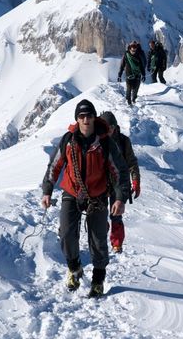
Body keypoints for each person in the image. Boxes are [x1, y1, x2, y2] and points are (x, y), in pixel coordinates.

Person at [41, 99, 130, 298]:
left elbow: (120, 172)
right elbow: (54, 167)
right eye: (81, 117)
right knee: (66, 234)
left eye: (89, 116)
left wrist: (120, 199)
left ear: (94, 118)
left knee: (98, 240)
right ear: (77, 119)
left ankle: (98, 280)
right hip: (72, 193)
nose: (86, 120)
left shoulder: (106, 143)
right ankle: (74, 269)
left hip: (97, 196)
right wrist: (47, 190)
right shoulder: (68, 140)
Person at [100, 111, 141, 253]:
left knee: (116, 214)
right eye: (106, 126)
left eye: (111, 126)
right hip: (100, 182)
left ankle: (116, 243)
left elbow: (131, 162)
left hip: (118, 183)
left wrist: (135, 180)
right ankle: (100, 239)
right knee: (99, 213)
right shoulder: (96, 139)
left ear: (115, 126)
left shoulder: (123, 141)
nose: (109, 129)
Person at [118, 41, 146, 106]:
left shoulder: (139, 55)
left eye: (135, 47)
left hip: (137, 75)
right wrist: (119, 75)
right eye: (132, 47)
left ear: (136, 47)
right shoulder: (126, 55)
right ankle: (128, 101)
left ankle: (134, 99)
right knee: (129, 88)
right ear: (130, 47)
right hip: (129, 75)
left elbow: (141, 66)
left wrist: (143, 75)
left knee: (136, 89)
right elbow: (122, 65)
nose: (133, 48)